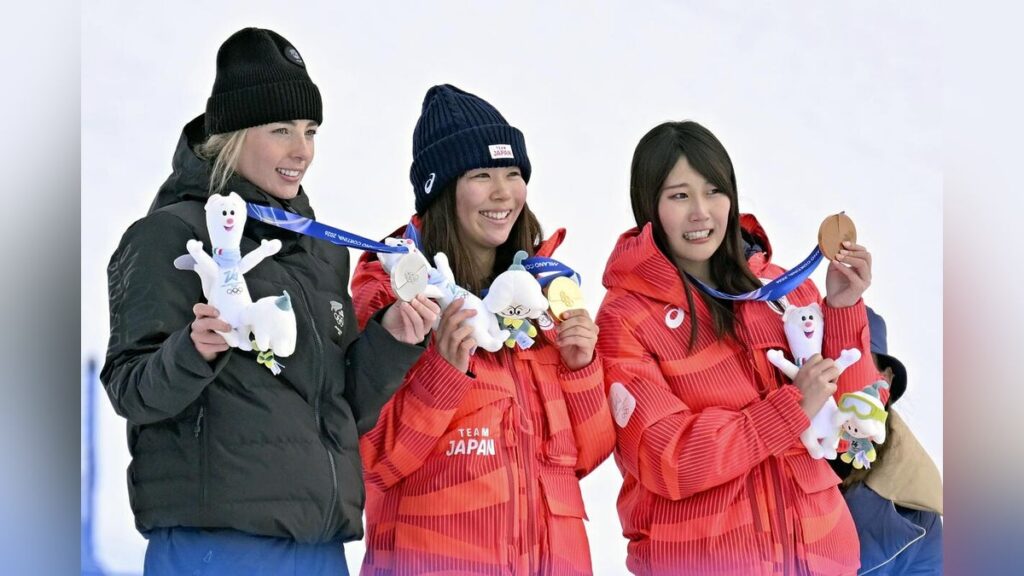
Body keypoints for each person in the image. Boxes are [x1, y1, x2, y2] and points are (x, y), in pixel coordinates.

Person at [101, 28, 438, 575]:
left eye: (310, 131)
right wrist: (194, 351)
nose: (301, 150)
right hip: (218, 550)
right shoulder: (170, 236)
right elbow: (129, 388)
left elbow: (339, 410)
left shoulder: (319, 251)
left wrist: (392, 339)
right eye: (281, 130)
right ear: (233, 135)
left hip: (319, 550)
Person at [594, 120, 882, 575]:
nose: (701, 212)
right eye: (679, 196)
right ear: (648, 205)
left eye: (714, 191)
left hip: (821, 557)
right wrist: (790, 409)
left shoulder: (782, 290)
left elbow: (853, 426)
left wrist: (844, 309)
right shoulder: (625, 319)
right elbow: (668, 459)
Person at [351, 84, 616, 575]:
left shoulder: (541, 291)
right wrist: (443, 372)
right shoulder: (398, 292)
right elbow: (375, 460)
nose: (503, 193)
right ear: (441, 190)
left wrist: (581, 370)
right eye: (481, 175)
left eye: (513, 173)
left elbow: (586, 458)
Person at [830, 307, 943, 575]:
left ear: (886, 379)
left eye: (855, 365)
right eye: (828, 362)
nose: (839, 379)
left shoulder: (915, 509)